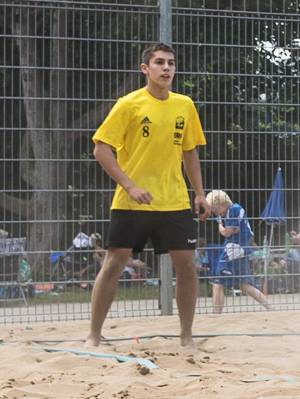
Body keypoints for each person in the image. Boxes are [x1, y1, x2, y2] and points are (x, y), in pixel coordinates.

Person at [86, 42, 209, 348]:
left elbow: (190, 151)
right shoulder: (129, 105)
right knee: (113, 264)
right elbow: (101, 149)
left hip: (174, 200)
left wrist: (200, 194)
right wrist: (129, 185)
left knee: (188, 267)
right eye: (159, 63)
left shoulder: (184, 105)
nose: (166, 68)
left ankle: (186, 336)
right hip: (132, 201)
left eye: (171, 63)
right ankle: (94, 335)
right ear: (145, 69)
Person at [206, 190, 271, 314]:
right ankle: (271, 308)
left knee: (218, 283)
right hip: (241, 248)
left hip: (233, 249)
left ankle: (216, 314)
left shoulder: (232, 210)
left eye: (215, 210)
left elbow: (228, 232)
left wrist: (220, 225)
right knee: (244, 285)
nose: (216, 214)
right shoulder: (236, 209)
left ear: (222, 205)